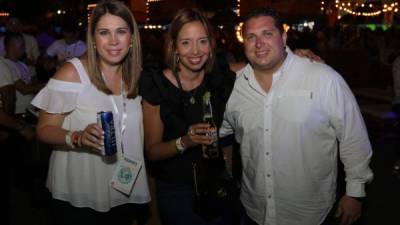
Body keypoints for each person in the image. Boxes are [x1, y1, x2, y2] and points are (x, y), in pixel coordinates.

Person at [220, 8, 373, 225]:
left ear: (283, 37)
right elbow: (220, 128)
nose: (259, 43)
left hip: (311, 214)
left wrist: (355, 193)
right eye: (251, 37)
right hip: (253, 211)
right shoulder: (234, 86)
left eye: (267, 34)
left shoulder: (322, 77)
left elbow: (353, 136)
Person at [31, 1, 150, 225]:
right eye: (104, 32)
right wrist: (77, 137)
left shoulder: (136, 77)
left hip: (124, 189)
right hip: (80, 194)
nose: (113, 41)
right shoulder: (72, 72)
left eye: (121, 32)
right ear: (93, 39)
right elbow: (44, 130)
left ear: (132, 38)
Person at [140, 8, 237, 225]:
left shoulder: (218, 78)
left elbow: (258, 67)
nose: (195, 51)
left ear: (211, 44)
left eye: (202, 41)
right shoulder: (157, 85)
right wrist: (185, 141)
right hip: (176, 189)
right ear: (173, 46)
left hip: (216, 184)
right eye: (186, 43)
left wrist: (294, 56)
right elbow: (152, 152)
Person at [2, 32, 44, 115]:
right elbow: (24, 89)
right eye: (22, 45)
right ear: (11, 46)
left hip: (30, 111)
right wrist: (49, 83)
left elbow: (32, 85)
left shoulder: (22, 64)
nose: (24, 48)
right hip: (18, 113)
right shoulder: (5, 65)